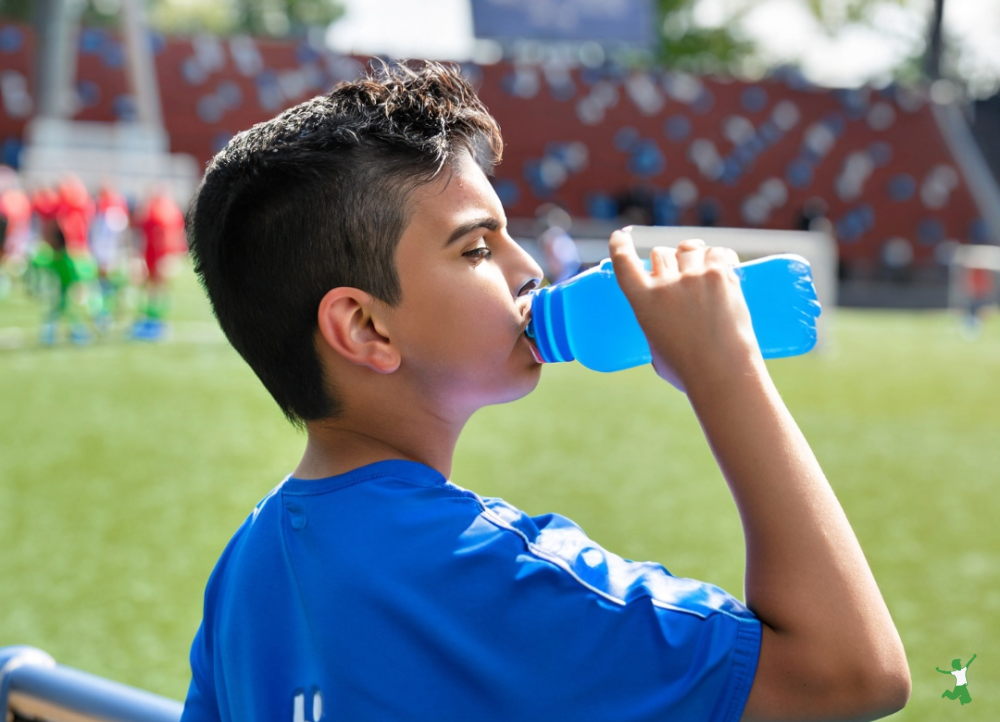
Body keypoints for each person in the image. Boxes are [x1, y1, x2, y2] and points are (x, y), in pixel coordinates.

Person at [181, 62, 910, 722]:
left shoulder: (244, 568)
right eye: (476, 247)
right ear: (365, 326)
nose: (528, 265)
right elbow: (852, 672)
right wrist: (727, 375)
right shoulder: (488, 573)